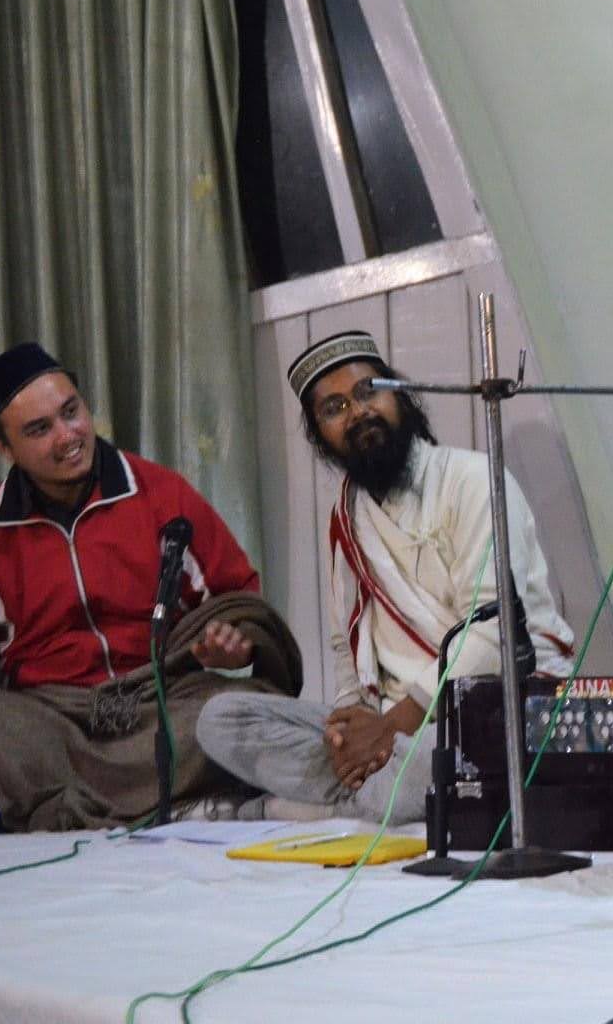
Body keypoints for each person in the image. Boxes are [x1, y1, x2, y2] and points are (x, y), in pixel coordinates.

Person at [197, 331, 577, 824]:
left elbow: (492, 632)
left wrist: (392, 727)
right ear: (319, 434)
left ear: (399, 393)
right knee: (219, 721)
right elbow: (346, 648)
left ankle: (293, 807)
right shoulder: (347, 517)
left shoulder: (471, 480)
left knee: (421, 772)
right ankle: (363, 789)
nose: (357, 413)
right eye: (333, 409)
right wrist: (347, 731)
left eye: (367, 392)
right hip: (392, 728)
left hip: (493, 705)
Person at [0, 343, 299, 830]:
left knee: (246, 712)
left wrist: (233, 644)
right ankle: (186, 802)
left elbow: (238, 598)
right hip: (53, 718)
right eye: (40, 429)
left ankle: (55, 805)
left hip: (158, 702)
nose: (68, 436)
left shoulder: (160, 494)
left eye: (71, 413)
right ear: (3, 447)